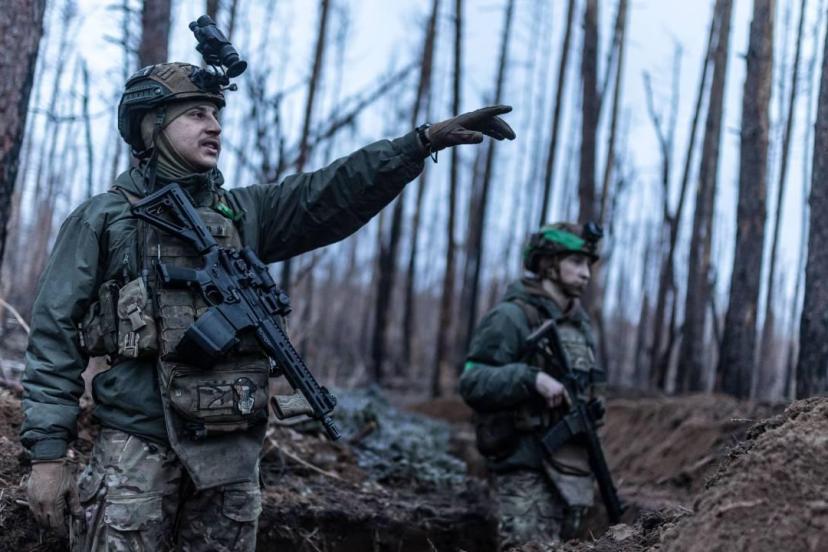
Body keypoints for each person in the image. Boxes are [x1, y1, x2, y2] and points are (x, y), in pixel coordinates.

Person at [20, 60, 515, 551]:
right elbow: (54, 334)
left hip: (231, 457)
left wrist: (419, 143)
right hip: (135, 452)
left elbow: (330, 192)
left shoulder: (241, 212)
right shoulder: (105, 219)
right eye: (196, 114)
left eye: (217, 114)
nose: (215, 126)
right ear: (152, 125)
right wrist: (47, 457)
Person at [458, 222, 607, 550]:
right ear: (548, 263)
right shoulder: (511, 316)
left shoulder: (581, 327)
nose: (586, 273)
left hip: (573, 472)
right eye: (576, 262)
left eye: (588, 264)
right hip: (525, 469)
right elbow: (472, 380)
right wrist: (530, 379)